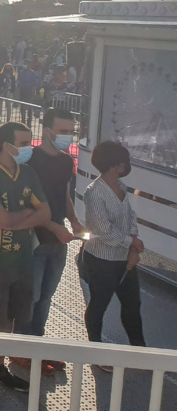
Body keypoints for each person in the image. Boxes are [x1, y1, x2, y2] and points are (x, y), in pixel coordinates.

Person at [0, 121, 75, 406]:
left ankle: (1, 370)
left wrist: (28, 220)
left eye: (29, 141)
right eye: (22, 143)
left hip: (23, 258)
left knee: (13, 320)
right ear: (5, 145)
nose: (28, 147)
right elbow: (0, 220)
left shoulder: (27, 172)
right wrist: (32, 217)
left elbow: (45, 212)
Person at [4, 109, 83, 374]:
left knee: (46, 296)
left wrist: (74, 221)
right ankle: (21, 352)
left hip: (57, 239)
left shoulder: (65, 161)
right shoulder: (30, 160)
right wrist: (53, 227)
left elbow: (65, 195)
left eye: (71, 131)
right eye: (62, 131)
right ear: (47, 131)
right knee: (31, 295)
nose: (67, 136)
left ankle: (37, 348)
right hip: (32, 239)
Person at [81, 141, 146, 359]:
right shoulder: (95, 193)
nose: (127, 167)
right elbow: (103, 230)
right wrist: (131, 243)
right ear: (114, 165)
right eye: (124, 163)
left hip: (123, 258)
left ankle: (139, 349)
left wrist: (133, 242)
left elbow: (130, 216)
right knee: (100, 303)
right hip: (102, 260)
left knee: (132, 304)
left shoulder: (122, 187)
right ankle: (96, 351)